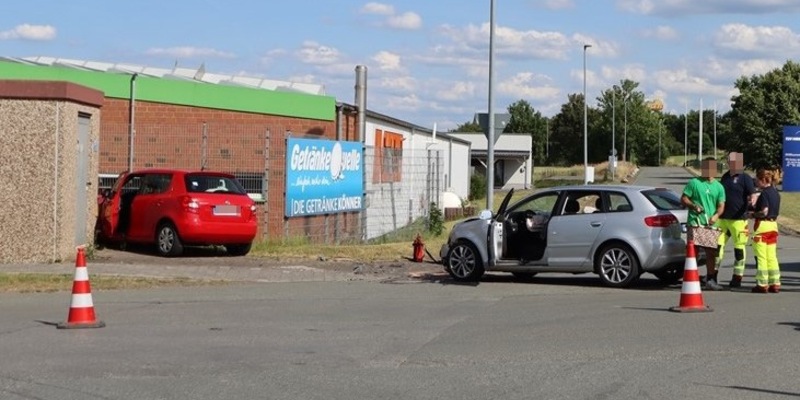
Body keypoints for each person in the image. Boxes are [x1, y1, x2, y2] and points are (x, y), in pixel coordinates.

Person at [681, 157, 726, 290]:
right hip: (695, 223)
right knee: (692, 253)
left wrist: (716, 216)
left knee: (711, 253)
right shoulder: (694, 183)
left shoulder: (719, 186)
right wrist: (694, 206)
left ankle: (710, 279)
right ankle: (691, 278)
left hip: (710, 225)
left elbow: (721, 205)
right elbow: (684, 198)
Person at [715, 152, 757, 288]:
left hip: (739, 220)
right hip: (723, 219)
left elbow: (753, 194)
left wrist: (753, 201)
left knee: (739, 249)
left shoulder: (745, 178)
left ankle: (737, 277)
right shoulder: (725, 176)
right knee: (717, 247)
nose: (731, 164)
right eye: (730, 161)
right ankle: (712, 275)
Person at [749, 168, 781, 293]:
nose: (756, 182)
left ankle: (762, 284)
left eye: (757, 179)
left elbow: (764, 211)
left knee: (761, 257)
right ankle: (775, 282)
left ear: (763, 180)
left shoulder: (764, 194)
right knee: (772, 256)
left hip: (762, 226)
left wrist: (752, 214)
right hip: (773, 226)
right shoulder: (775, 193)